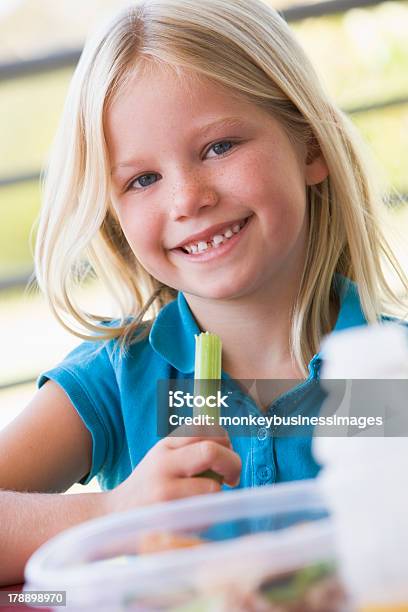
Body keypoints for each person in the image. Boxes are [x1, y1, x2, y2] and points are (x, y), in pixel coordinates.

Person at [1, 0, 407, 585]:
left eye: (219, 147)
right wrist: (113, 515)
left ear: (311, 147)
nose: (187, 199)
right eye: (143, 180)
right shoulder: (119, 382)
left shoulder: (385, 376)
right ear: (113, 215)